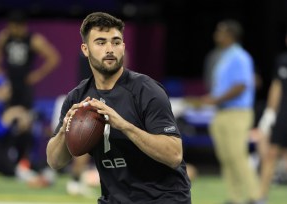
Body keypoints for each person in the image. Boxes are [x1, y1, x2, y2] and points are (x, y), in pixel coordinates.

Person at [47, 12, 191, 203]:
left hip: (162, 199)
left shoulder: (146, 90)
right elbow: (55, 161)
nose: (110, 49)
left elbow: (174, 155)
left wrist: (124, 126)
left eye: (115, 42)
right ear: (85, 49)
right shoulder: (78, 97)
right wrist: (65, 131)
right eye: (100, 42)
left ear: (123, 47)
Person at [200, 19, 263, 204]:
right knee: (226, 157)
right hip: (221, 113)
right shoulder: (223, 56)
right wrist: (212, 99)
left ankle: (256, 196)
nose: (216, 35)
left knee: (237, 155)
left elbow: (241, 85)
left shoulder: (240, 56)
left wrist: (215, 99)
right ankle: (235, 198)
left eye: (220, 31)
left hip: (237, 112)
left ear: (230, 35)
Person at [0, 10, 60, 109]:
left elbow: (53, 58)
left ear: (21, 26)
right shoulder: (5, 36)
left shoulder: (33, 40)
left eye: (13, 27)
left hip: (24, 84)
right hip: (8, 83)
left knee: (24, 114)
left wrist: (37, 75)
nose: (11, 29)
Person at [257, 31, 287, 202]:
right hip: (283, 117)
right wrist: (269, 114)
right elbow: (276, 89)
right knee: (271, 154)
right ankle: (261, 197)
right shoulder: (282, 60)